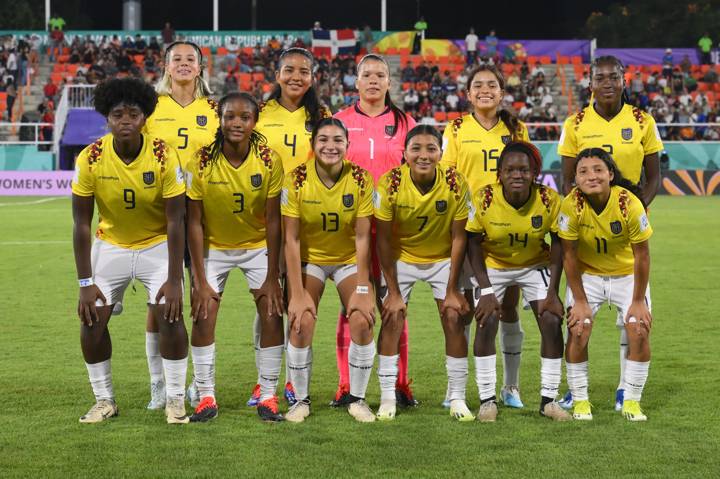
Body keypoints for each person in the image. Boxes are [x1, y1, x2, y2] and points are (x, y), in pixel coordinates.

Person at [71, 77, 189, 424]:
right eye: (117, 113)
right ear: (106, 117)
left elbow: (175, 221)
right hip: (111, 246)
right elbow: (80, 224)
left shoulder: (164, 154)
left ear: (144, 117)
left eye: (133, 114)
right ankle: (104, 399)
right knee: (91, 320)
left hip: (156, 245)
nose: (125, 120)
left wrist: (174, 280)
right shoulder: (90, 157)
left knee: (170, 314)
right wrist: (84, 283)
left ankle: (176, 400)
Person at [557, 55, 663, 411]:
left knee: (631, 321)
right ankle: (576, 390)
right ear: (589, 83)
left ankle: (624, 389)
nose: (606, 82)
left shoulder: (641, 120)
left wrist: (637, 210)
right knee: (579, 322)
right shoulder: (575, 122)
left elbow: (654, 176)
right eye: (599, 77)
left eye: (612, 77)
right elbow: (566, 176)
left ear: (623, 80)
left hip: (627, 226)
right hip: (587, 229)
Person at [185, 92, 285, 422]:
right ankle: (206, 395)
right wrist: (198, 279)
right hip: (214, 249)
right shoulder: (200, 161)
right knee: (203, 313)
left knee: (272, 313)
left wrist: (273, 276)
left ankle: (268, 396)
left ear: (255, 122)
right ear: (221, 120)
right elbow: (194, 222)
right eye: (230, 116)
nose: (236, 123)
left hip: (257, 247)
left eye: (244, 117)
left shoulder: (270, 160)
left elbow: (274, 220)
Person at [441, 64, 531, 410]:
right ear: (468, 94)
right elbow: (448, 178)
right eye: (477, 85)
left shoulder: (516, 128)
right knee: (466, 310)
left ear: (501, 91)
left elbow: (528, 173)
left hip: (508, 229)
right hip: (469, 229)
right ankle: (456, 388)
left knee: (509, 309)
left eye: (491, 85)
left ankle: (511, 387)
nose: (485, 90)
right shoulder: (456, 129)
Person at [332, 54, 417, 407]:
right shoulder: (339, 121)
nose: (373, 80)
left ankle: (398, 384)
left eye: (380, 75)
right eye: (366, 74)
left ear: (389, 82)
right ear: (356, 81)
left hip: (391, 229)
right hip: (351, 230)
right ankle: (347, 384)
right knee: (353, 307)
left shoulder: (405, 122)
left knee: (395, 306)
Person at [249, 47, 330, 407]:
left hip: (307, 219)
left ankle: (297, 382)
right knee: (269, 303)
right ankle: (263, 381)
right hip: (265, 218)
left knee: (301, 303)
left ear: (313, 77)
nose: (296, 76)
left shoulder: (322, 116)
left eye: (304, 71)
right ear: (277, 73)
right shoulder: (260, 113)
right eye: (289, 70)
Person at [465, 142, 570, 422]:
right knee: (486, 320)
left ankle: (549, 400)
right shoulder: (484, 198)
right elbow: (472, 243)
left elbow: (558, 243)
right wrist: (486, 290)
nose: (517, 175)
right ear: (499, 173)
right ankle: (487, 401)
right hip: (493, 266)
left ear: (535, 172)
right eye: (510, 169)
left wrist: (553, 292)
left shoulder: (548, 199)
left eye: (524, 169)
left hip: (534, 264)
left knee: (550, 319)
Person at [281, 118, 376, 423]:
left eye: (337, 140)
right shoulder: (295, 179)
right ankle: (301, 401)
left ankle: (357, 399)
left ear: (348, 145)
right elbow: (291, 240)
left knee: (362, 319)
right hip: (311, 260)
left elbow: (362, 237)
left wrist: (362, 288)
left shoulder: (361, 179)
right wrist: (296, 294)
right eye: (323, 140)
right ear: (313, 145)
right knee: (301, 321)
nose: (330, 146)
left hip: (348, 259)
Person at [142, 40, 219, 411]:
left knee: (201, 296)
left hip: (205, 214)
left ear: (201, 68)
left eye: (192, 59)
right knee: (159, 300)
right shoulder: (151, 108)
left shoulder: (216, 109)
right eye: (178, 59)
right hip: (161, 211)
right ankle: (159, 384)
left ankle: (199, 384)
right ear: (167, 66)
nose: (185, 64)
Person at [374, 125, 470, 421]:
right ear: (404, 153)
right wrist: (392, 291)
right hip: (401, 259)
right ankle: (388, 397)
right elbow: (384, 240)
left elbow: (459, 237)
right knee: (391, 317)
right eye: (416, 148)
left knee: (454, 317)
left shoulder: (455, 181)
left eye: (431, 148)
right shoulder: (389, 183)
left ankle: (457, 398)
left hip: (443, 259)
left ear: (441, 153)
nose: (424, 155)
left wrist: (453, 288)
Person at [558, 148, 653, 422]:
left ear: (611, 174)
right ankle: (580, 400)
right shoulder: (571, 205)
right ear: (575, 178)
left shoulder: (629, 204)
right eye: (583, 171)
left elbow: (642, 255)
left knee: (639, 329)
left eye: (598, 169)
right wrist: (580, 301)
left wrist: (637, 301)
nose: (592, 176)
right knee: (578, 329)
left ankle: (632, 401)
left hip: (628, 276)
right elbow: (569, 255)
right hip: (588, 276)